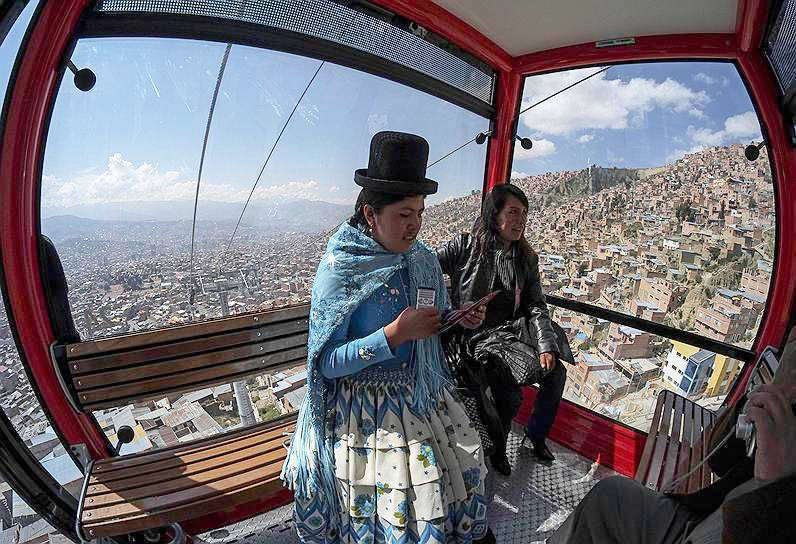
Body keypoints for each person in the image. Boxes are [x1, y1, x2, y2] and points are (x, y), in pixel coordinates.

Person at [281, 131, 495, 544]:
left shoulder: (421, 259)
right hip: (362, 404)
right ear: (369, 213)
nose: (414, 224)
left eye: (419, 212)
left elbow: (430, 321)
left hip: (417, 391)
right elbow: (326, 363)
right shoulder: (340, 269)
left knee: (461, 463)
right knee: (413, 482)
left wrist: (457, 319)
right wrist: (392, 335)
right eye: (403, 214)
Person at [547, 325, 796, 544]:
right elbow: (720, 461)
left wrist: (772, 485)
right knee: (610, 495)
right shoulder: (785, 424)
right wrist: (767, 398)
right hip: (712, 519)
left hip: (740, 526)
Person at [437, 183, 571, 475]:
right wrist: (451, 313)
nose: (520, 220)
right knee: (508, 394)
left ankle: (535, 436)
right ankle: (498, 448)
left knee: (556, 372)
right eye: (513, 212)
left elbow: (535, 305)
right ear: (493, 215)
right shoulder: (465, 246)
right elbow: (426, 270)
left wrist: (546, 345)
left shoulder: (526, 259)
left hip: (510, 334)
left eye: (524, 213)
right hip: (472, 337)